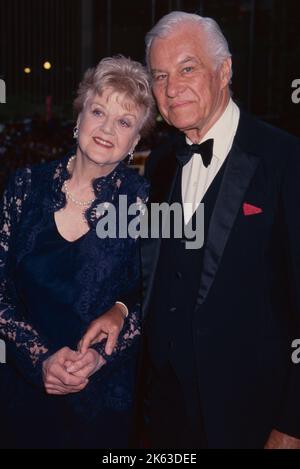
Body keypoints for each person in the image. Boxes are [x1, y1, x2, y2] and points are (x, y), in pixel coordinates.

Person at [81, 12, 300, 449]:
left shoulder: (285, 160)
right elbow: (159, 271)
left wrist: (291, 423)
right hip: (160, 410)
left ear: (225, 71)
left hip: (248, 415)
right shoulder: (161, 163)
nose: (172, 87)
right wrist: (122, 308)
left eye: (187, 68)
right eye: (160, 75)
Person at [0, 55, 155, 449]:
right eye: (98, 111)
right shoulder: (23, 188)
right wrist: (39, 358)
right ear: (78, 118)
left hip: (103, 402)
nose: (107, 129)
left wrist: (107, 350)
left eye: (124, 121)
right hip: (20, 392)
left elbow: (157, 298)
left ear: (136, 140)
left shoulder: (145, 205)